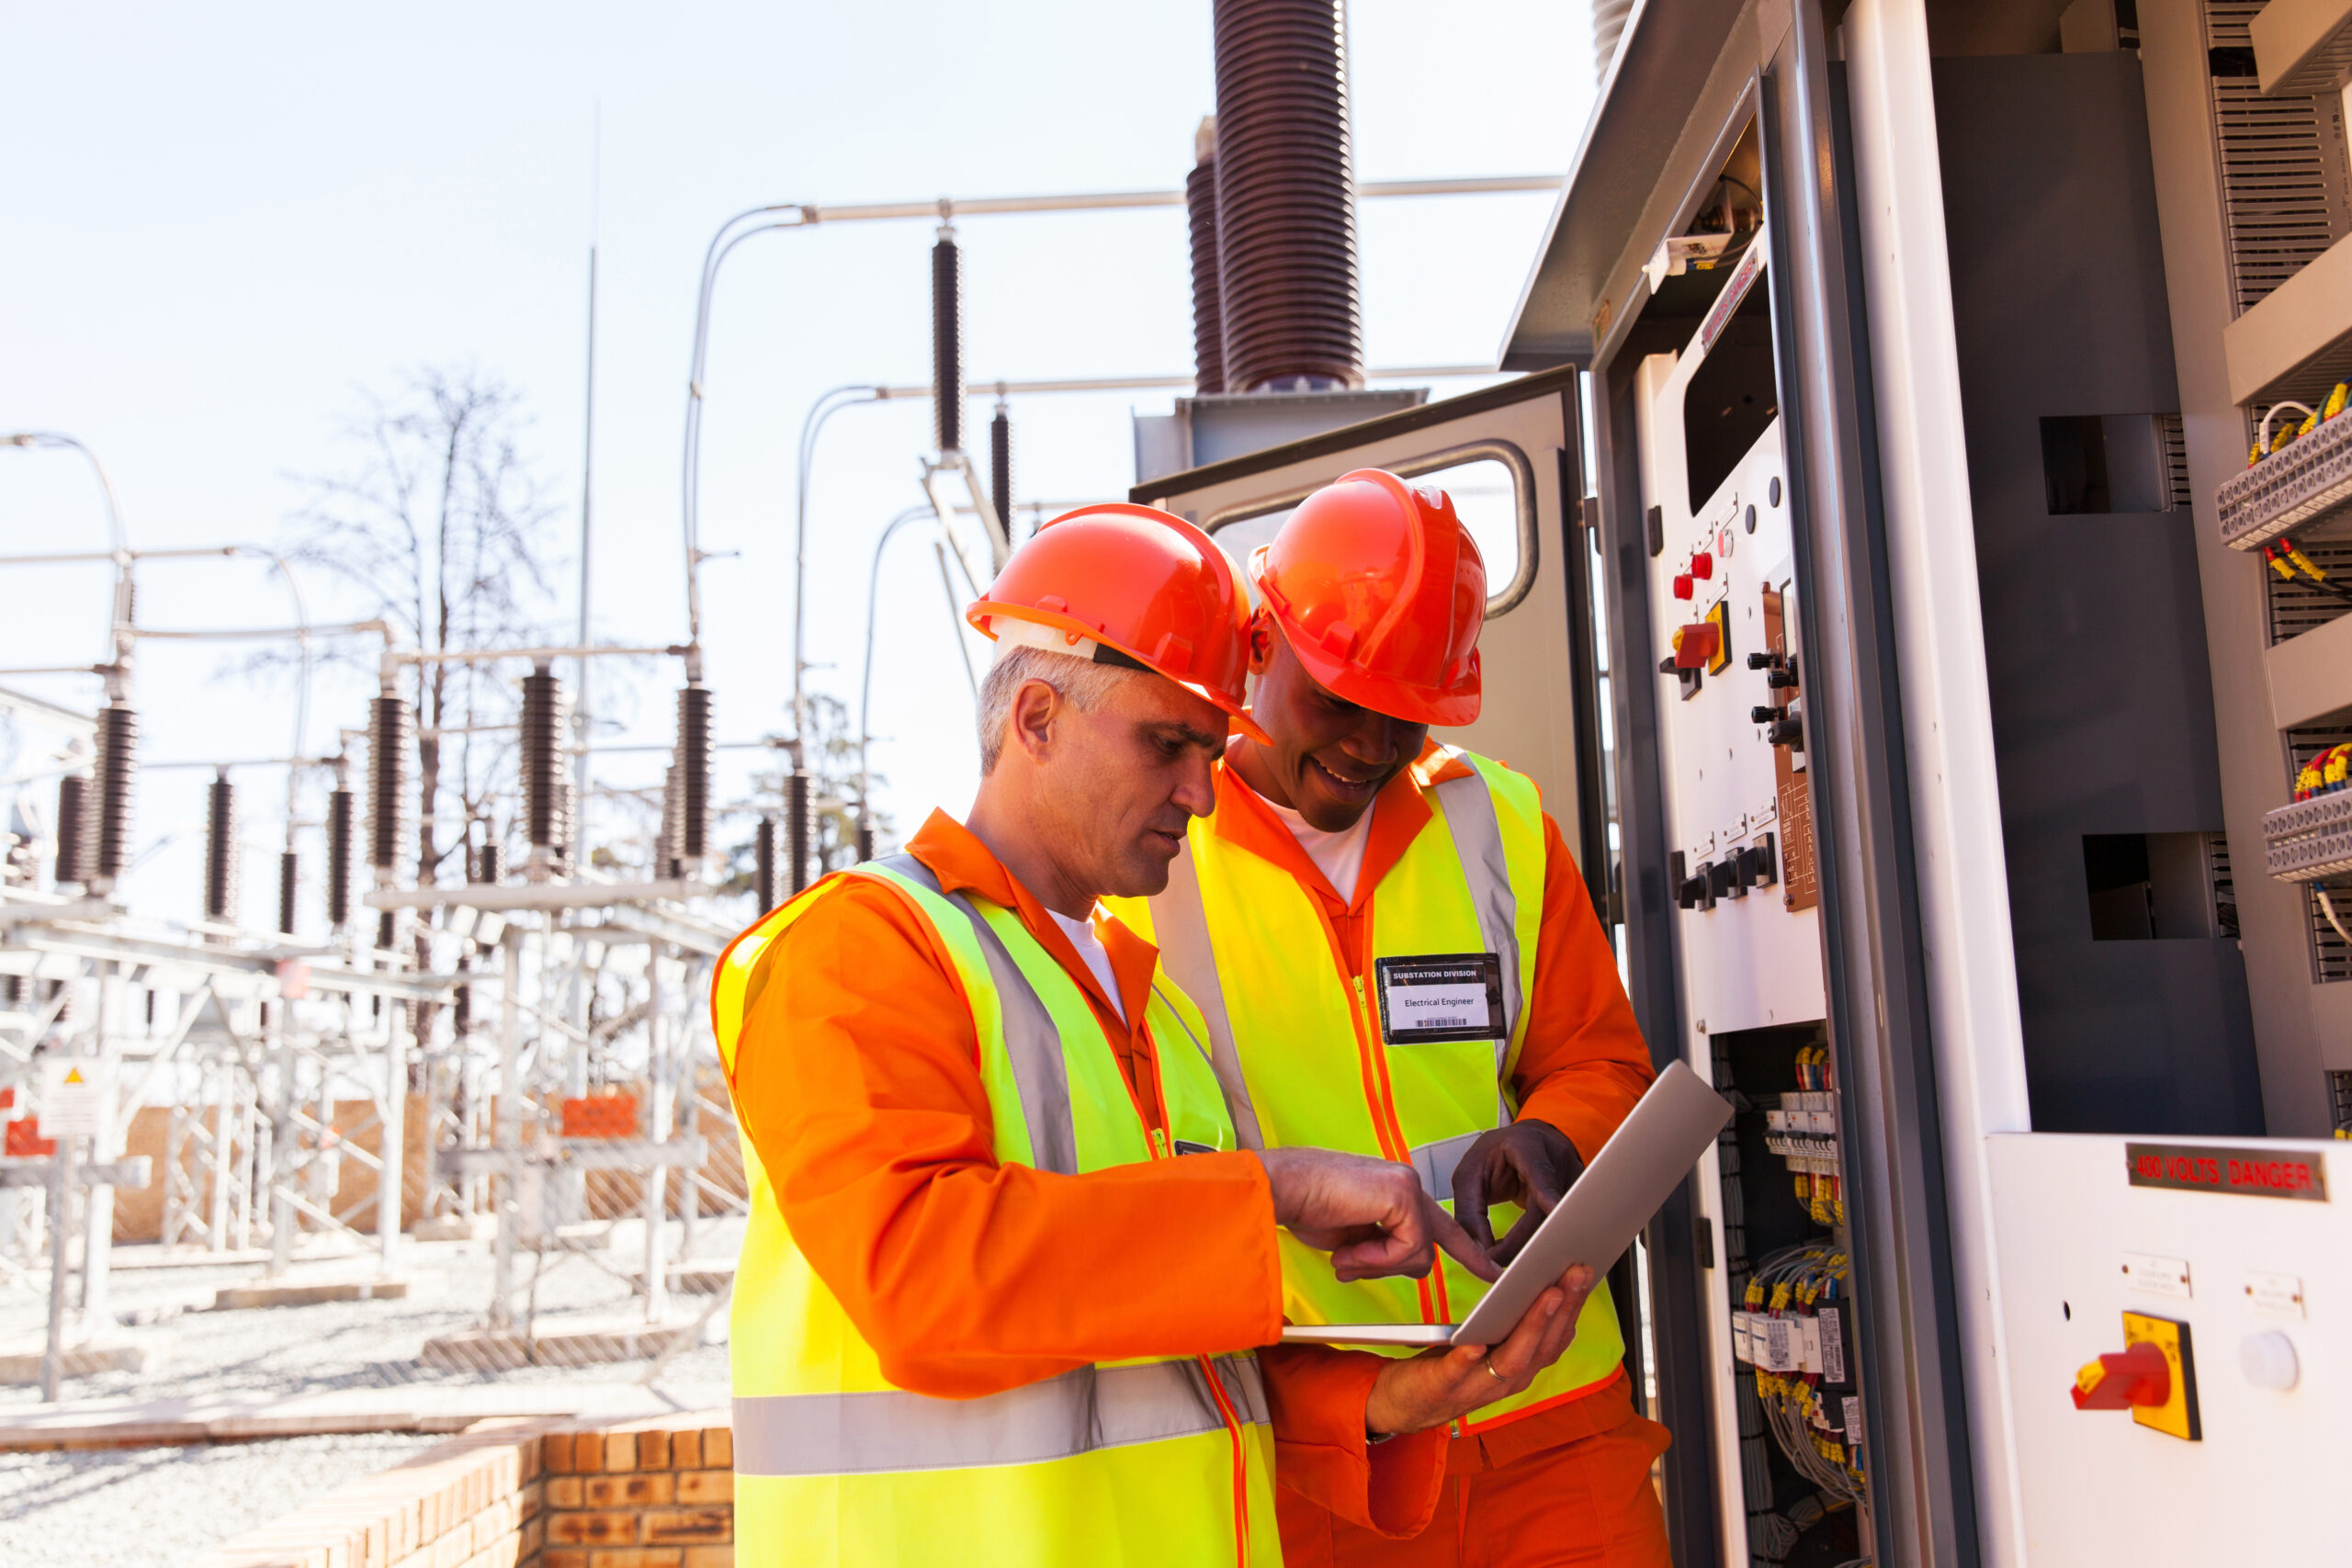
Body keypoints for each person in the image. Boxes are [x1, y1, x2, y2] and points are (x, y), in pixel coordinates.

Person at [711, 502, 1602, 1568]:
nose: (1201, 792)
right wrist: (1265, 1194)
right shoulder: (859, 949)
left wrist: (1384, 1396)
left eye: (1210, 748)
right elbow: (923, 1284)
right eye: (1170, 744)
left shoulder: (1146, 1012)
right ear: (1034, 718)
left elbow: (1183, 1356)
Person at [1113, 471, 1673, 1566]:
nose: (1373, 742)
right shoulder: (1141, 873)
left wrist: (1552, 1138)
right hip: (1326, 1454)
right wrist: (1353, 1408)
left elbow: (1599, 1058)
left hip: (1555, 1427)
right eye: (1342, 697)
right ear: (1260, 647)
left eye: (1406, 710)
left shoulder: (1498, 823)